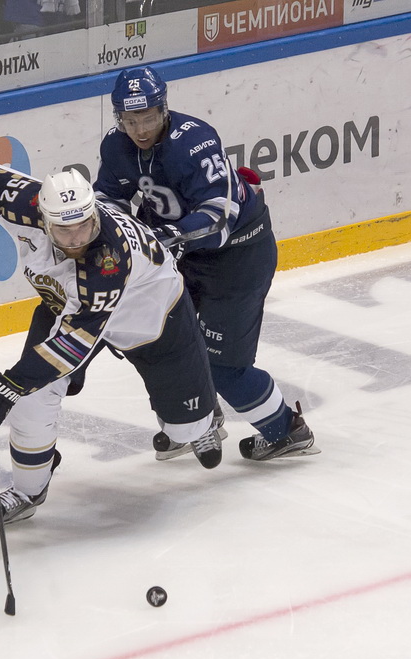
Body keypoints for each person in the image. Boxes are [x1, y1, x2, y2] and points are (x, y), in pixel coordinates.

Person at [0, 164, 222, 529]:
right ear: (43, 219)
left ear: (94, 215)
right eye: (64, 230)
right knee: (30, 397)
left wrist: (6, 386)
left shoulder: (107, 257)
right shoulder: (26, 203)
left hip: (152, 316)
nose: (76, 239)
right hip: (71, 307)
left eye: (84, 227)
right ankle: (29, 490)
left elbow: (75, 344)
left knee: (184, 429)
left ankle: (202, 420)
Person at [94, 66, 318, 462]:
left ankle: (286, 430)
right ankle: (195, 420)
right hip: (183, 256)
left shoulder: (194, 141)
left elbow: (219, 216)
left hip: (237, 257)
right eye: (130, 120)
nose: (140, 129)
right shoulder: (116, 146)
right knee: (165, 343)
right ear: (119, 119)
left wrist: (168, 238)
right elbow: (108, 200)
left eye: (148, 117)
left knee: (222, 366)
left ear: (164, 109)